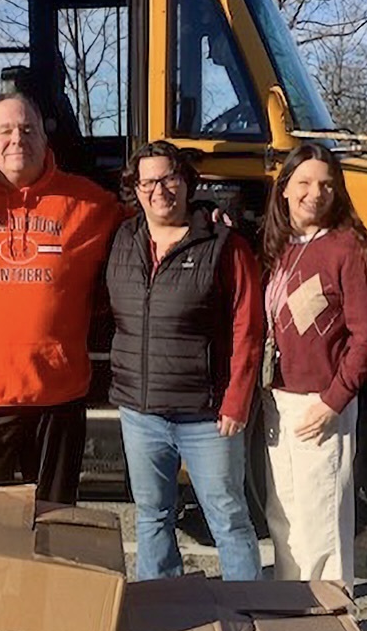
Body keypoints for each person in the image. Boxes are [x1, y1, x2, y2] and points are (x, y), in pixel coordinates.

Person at [0, 93, 125, 504]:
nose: (18, 140)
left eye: (28, 130)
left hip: (57, 401)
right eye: (6, 130)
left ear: (46, 140)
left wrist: (202, 214)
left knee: (53, 529)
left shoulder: (90, 203)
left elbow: (158, 230)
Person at [106, 141, 264, 581]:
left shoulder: (223, 245)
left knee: (228, 520)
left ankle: (246, 614)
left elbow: (248, 327)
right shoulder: (122, 237)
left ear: (187, 182)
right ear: (135, 190)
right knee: (152, 517)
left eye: (169, 178)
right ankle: (165, 613)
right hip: (140, 413)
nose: (160, 190)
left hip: (207, 417)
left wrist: (237, 400)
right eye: (148, 181)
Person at [261, 142, 367, 592]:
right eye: (305, 183)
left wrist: (333, 402)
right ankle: (292, 605)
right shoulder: (280, 247)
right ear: (285, 190)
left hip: (320, 402)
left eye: (327, 184)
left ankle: (331, 620)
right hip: (278, 398)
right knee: (285, 515)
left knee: (322, 519)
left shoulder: (348, 247)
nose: (316, 193)